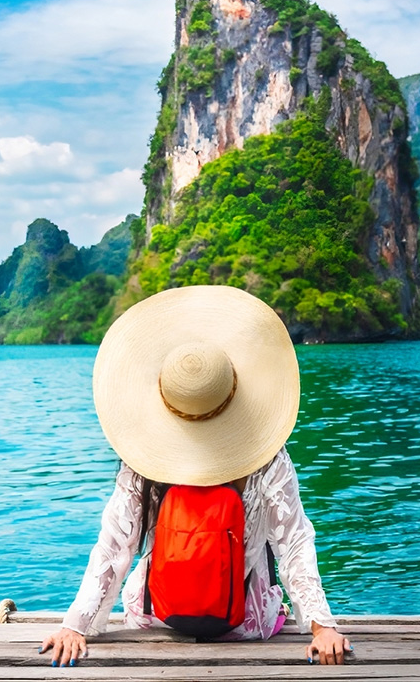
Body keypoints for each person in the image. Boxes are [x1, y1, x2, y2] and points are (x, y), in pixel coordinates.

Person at [40, 285, 352, 668]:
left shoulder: (142, 457)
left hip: (154, 616)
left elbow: (115, 546)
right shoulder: (265, 455)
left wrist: (75, 626)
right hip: (242, 624)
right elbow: (293, 542)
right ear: (235, 391)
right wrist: (322, 627)